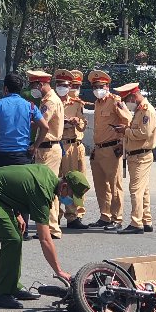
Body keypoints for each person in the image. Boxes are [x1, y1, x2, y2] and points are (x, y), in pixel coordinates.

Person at [0, 165, 90, 309]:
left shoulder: (47, 176)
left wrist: (17, 213)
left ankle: (13, 287)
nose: (70, 201)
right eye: (71, 196)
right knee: (12, 240)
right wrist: (59, 271)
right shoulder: (43, 191)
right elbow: (45, 239)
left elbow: (17, 188)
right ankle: (3, 294)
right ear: (64, 186)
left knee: (16, 238)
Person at [0, 72, 48, 240]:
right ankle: (24, 231)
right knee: (23, 194)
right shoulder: (30, 106)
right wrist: (35, 146)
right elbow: (45, 127)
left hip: (2, 156)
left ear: (5, 89)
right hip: (22, 156)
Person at [85, 69, 131, 232]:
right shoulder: (98, 103)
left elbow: (128, 120)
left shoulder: (115, 100)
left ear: (108, 86)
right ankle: (105, 216)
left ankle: (117, 218)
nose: (98, 89)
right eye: (95, 86)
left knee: (114, 185)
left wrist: (121, 142)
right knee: (100, 186)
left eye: (101, 86)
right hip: (99, 149)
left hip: (113, 148)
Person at [112, 82, 156, 234]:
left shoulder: (146, 111)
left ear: (133, 96)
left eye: (126, 100)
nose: (126, 104)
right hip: (136, 154)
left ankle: (136, 223)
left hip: (141, 155)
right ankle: (146, 220)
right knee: (143, 190)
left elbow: (144, 133)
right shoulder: (139, 111)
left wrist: (126, 131)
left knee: (135, 190)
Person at [26, 69, 65, 239]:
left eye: (33, 84)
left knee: (45, 188)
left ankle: (51, 228)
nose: (32, 88)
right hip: (47, 148)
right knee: (49, 187)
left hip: (48, 148)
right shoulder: (48, 99)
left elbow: (41, 124)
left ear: (40, 84)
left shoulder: (49, 102)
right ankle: (52, 226)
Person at [56, 69, 89, 230]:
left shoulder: (76, 104)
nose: (63, 87)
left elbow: (83, 125)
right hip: (55, 144)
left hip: (70, 145)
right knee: (55, 181)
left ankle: (72, 215)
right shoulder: (51, 101)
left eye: (66, 85)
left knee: (72, 182)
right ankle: (55, 215)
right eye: (60, 85)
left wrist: (77, 122)